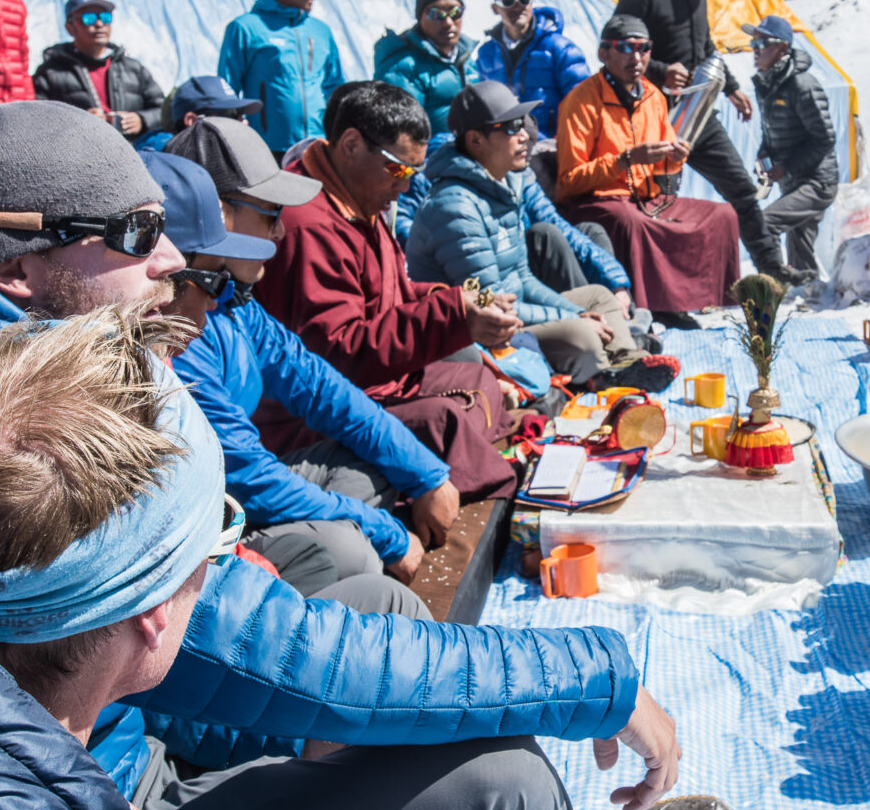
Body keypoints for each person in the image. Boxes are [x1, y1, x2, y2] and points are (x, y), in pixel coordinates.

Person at [0, 308, 734, 810]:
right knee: (502, 787)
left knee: (383, 637)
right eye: (220, 539)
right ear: (155, 615)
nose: (237, 567)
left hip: (118, 801)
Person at [161, 119, 463, 595]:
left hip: (253, 486)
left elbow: (322, 389)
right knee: (350, 551)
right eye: (270, 214)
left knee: (375, 474)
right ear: (218, 215)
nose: (282, 230)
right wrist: (385, 533)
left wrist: (427, 476)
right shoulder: (178, 327)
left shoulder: (233, 300)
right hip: (215, 521)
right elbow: (248, 477)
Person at [256, 82, 528, 503]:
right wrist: (452, 314)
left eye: (414, 173)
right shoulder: (309, 224)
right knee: (446, 422)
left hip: (378, 384)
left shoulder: (354, 196)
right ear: (351, 145)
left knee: (477, 380)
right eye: (399, 170)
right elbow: (338, 353)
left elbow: (387, 294)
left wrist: (455, 299)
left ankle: (470, 465)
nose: (405, 187)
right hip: (317, 416)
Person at [408, 81, 676, 390]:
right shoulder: (456, 207)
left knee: (598, 297)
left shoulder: (504, 185)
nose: (524, 134)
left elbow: (523, 278)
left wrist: (577, 311)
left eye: (522, 123)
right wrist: (574, 320)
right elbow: (492, 306)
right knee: (583, 336)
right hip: (481, 333)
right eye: (511, 127)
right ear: (476, 140)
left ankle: (627, 361)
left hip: (516, 311)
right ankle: (603, 372)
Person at [616, 0, 789, 279]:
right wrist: (660, 70)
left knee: (741, 188)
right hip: (654, 118)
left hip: (699, 113)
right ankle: (655, 292)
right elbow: (616, 49)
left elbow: (705, 48)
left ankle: (773, 272)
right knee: (657, 204)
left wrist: (731, 87)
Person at [554, 15, 740, 317]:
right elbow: (569, 181)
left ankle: (695, 303)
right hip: (598, 202)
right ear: (603, 53)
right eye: (626, 47)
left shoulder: (653, 96)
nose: (637, 57)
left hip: (646, 198)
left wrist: (674, 158)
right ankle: (650, 309)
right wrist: (624, 160)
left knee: (723, 214)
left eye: (644, 48)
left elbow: (662, 168)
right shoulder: (581, 101)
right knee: (630, 223)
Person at [217, 0, 344, 152]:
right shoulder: (245, 28)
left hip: (318, 146)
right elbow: (227, 93)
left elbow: (334, 87)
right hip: (266, 148)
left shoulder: (321, 31)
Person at [745, 15, 836, 285]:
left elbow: (825, 139)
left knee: (765, 224)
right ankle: (809, 294)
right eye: (753, 43)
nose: (756, 49)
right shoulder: (766, 83)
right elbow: (770, 131)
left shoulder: (802, 84)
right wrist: (764, 154)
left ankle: (774, 287)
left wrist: (786, 167)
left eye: (763, 43)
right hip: (793, 181)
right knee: (800, 249)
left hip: (817, 182)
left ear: (782, 48)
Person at [32, 0, 167, 141]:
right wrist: (77, 121)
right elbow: (36, 119)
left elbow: (164, 111)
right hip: (78, 151)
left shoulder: (134, 69)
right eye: (88, 18)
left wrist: (141, 120)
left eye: (105, 17)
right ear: (70, 28)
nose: (99, 23)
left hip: (134, 150)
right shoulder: (50, 72)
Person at [473, 0, 590, 139]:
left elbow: (583, 103)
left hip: (551, 146)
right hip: (506, 147)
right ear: (495, 8)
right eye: (508, 1)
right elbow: (484, 107)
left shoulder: (560, 49)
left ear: (531, 3)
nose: (517, 7)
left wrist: (560, 142)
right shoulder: (486, 54)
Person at [374, 0, 478, 142]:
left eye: (455, 12)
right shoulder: (402, 67)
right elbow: (402, 135)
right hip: (434, 155)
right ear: (420, 17)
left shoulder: (469, 57)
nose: (448, 22)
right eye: (436, 14)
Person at [138, 73, 265, 152]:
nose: (244, 122)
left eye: (240, 113)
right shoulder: (165, 163)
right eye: (231, 115)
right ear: (192, 120)